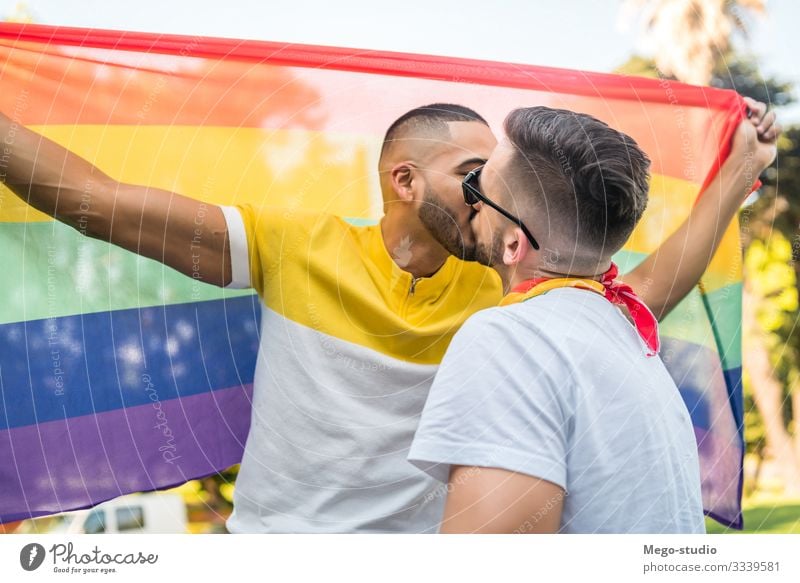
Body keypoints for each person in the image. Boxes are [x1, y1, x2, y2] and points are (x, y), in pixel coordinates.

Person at [0, 96, 777, 532]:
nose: (486, 194)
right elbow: (100, 205)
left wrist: (739, 169)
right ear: (404, 180)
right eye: (472, 174)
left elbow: (647, 291)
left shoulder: (517, 295)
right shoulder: (293, 245)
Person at [407, 105, 777, 533]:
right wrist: (742, 166)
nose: (469, 203)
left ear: (514, 243)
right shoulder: (621, 331)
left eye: (477, 187)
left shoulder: (511, 341)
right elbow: (664, 280)